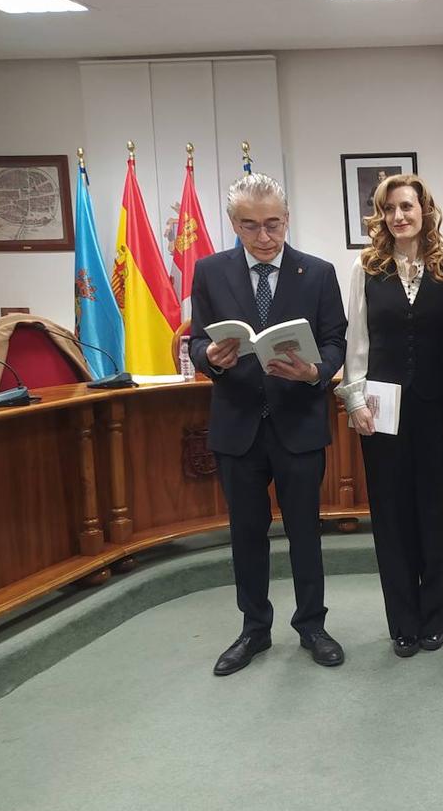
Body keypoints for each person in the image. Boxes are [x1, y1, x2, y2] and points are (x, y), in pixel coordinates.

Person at [189, 173, 348, 676]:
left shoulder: (317, 273)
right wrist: (209, 357)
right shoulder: (210, 271)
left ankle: (312, 626)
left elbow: (335, 340)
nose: (264, 236)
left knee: (305, 531)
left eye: (273, 224)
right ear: (235, 224)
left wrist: (316, 371)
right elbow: (195, 341)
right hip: (237, 427)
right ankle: (254, 630)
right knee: (246, 533)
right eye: (251, 226)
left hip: (298, 423)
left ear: (287, 219)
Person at [336, 174, 443, 658]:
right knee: (390, 516)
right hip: (380, 411)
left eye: (407, 206)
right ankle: (403, 622)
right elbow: (357, 341)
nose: (399, 216)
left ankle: (433, 616)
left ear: (424, 210)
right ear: (381, 215)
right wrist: (353, 400)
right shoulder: (365, 268)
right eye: (390, 209)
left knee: (434, 513)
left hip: (437, 410)